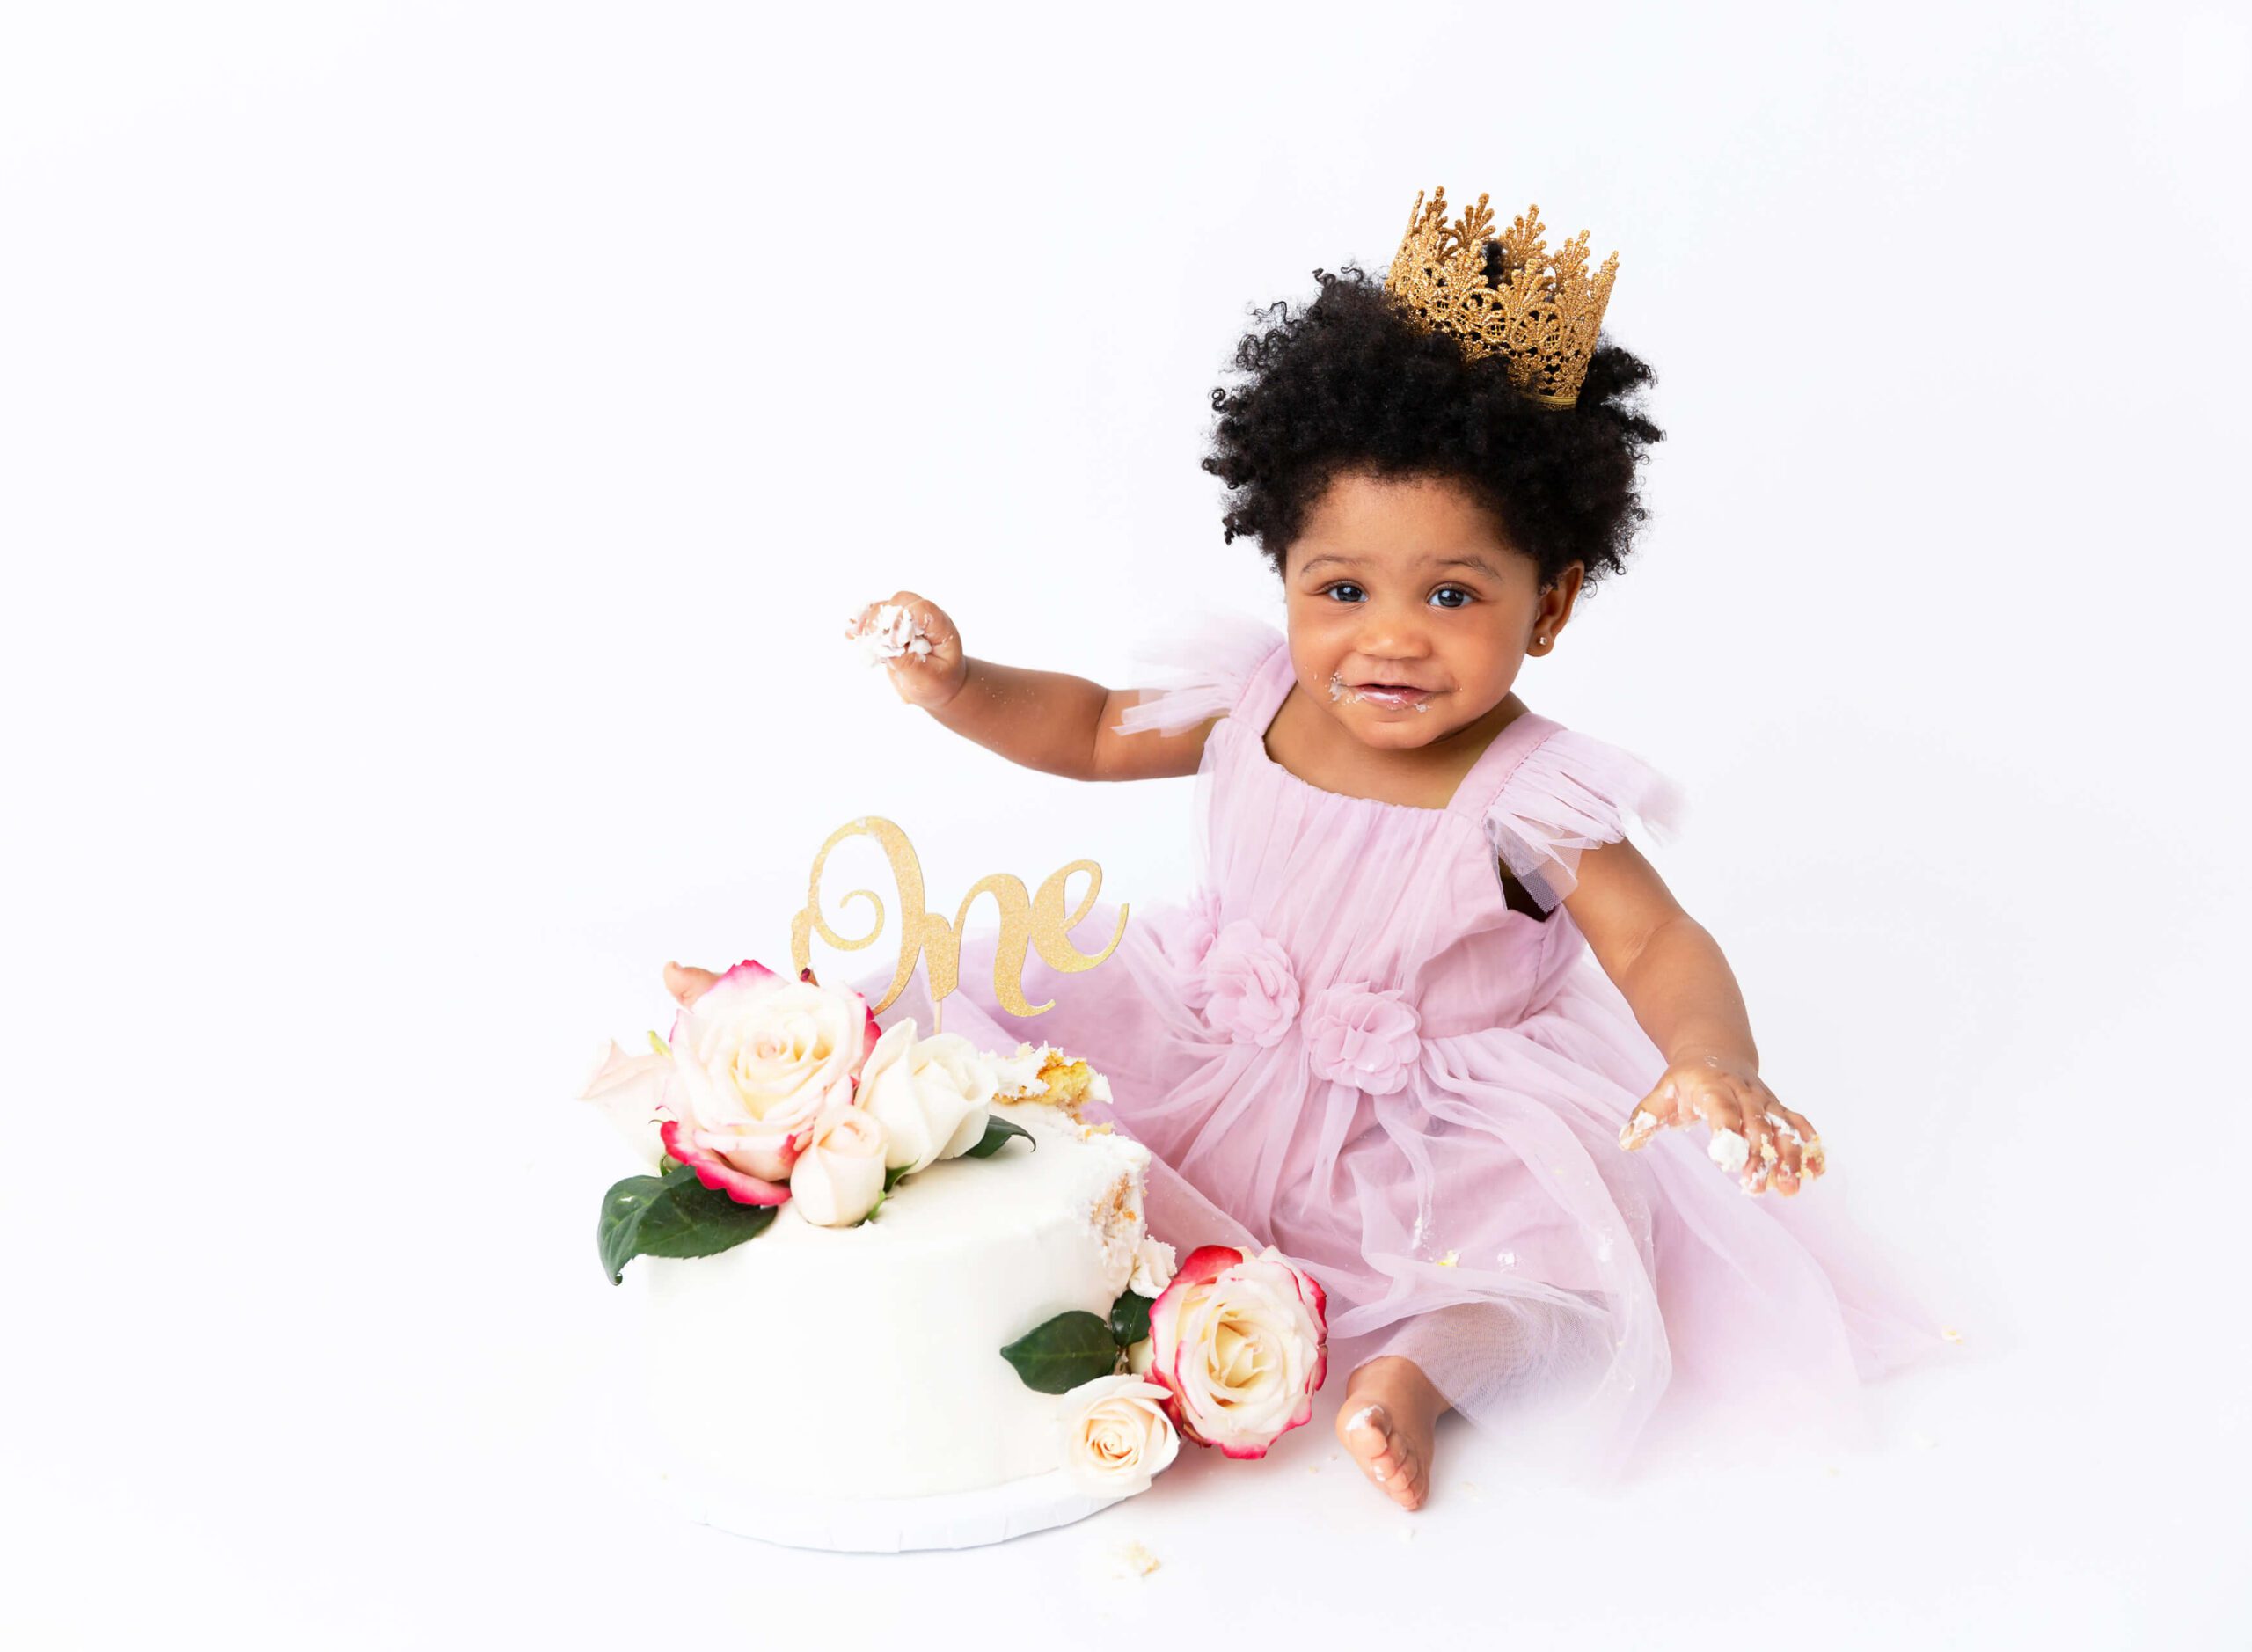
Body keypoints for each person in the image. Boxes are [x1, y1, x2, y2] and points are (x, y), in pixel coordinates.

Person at [676, 190, 1950, 1509]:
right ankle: (793, 1082)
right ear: (1281, 565)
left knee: (1562, 1268)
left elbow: (1654, 936)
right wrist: (961, 684)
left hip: (1423, 1120)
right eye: (1342, 589)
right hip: (1206, 1040)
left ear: (1553, 601)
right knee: (996, 1066)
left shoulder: (1533, 793)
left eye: (1452, 594)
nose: (1389, 637)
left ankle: (1419, 1373)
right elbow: (1100, 727)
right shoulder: (1258, 691)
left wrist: (1711, 1060)